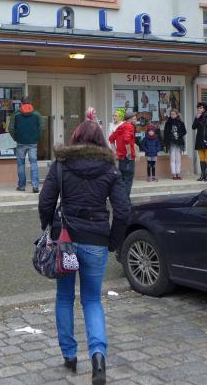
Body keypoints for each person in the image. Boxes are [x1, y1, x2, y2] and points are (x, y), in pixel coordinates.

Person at [38, 121, 131, 385]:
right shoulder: (110, 168)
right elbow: (124, 210)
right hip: (96, 241)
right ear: (101, 140)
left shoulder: (61, 164)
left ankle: (69, 354)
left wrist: (48, 228)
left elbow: (45, 202)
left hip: (65, 240)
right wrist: (113, 241)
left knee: (64, 297)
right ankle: (98, 357)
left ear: (75, 138)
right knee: (92, 300)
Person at [9, 96, 44, 193]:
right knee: (33, 163)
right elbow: (42, 127)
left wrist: (16, 138)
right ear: (31, 103)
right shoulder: (37, 114)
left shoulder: (16, 114)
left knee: (21, 164)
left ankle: (21, 186)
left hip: (20, 142)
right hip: (32, 143)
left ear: (21, 103)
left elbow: (11, 128)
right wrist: (36, 138)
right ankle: (35, 186)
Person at [108, 109, 136, 196]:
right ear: (130, 119)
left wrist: (116, 153)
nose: (136, 120)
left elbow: (111, 139)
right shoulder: (129, 126)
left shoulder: (121, 126)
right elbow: (127, 140)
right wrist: (129, 153)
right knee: (127, 181)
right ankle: (125, 201)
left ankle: (121, 200)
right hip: (128, 159)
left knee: (122, 181)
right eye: (135, 118)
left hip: (121, 159)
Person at [192, 101, 207, 181]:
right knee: (201, 158)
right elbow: (193, 127)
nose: (199, 109)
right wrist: (197, 118)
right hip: (199, 140)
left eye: (201, 108)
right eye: (198, 108)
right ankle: (202, 175)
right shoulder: (198, 116)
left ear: (204, 108)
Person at [163, 109, 187, 180]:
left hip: (179, 142)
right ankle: (174, 174)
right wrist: (170, 137)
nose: (172, 115)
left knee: (178, 158)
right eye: (171, 114)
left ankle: (178, 173)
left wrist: (179, 134)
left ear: (177, 114)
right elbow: (165, 133)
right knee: (172, 158)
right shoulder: (168, 123)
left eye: (173, 114)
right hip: (171, 142)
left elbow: (184, 131)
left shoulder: (180, 122)